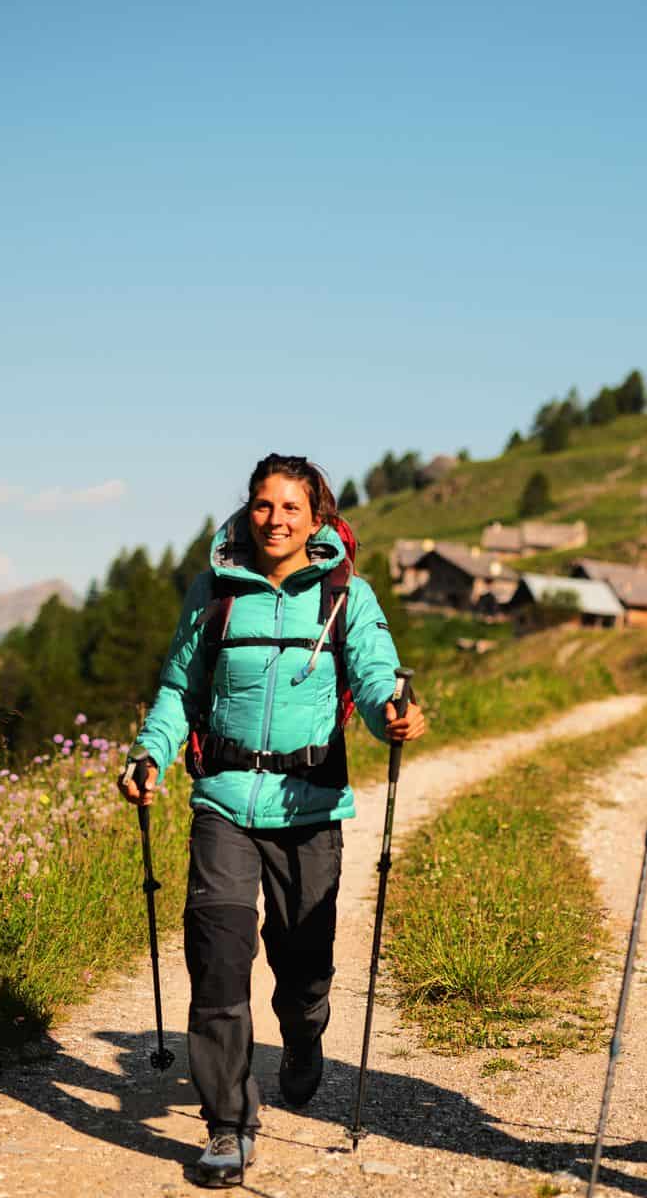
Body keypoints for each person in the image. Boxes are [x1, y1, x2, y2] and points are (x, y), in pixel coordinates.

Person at [119, 453, 427, 1188]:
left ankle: (302, 1035)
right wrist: (150, 753)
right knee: (218, 962)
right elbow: (178, 689)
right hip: (224, 802)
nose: (276, 519)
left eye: (292, 507)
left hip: (308, 807)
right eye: (264, 504)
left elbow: (378, 674)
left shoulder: (346, 593)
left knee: (302, 965)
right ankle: (227, 1124)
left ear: (317, 519)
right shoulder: (214, 591)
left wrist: (394, 716)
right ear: (247, 510)